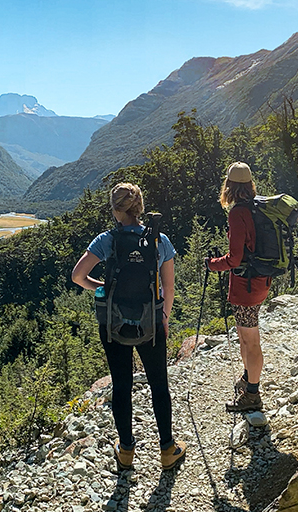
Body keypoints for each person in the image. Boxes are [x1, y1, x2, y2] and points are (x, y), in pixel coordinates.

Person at [71, 182, 186, 471]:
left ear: (115, 210)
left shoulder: (106, 240)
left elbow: (78, 276)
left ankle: (125, 452)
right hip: (151, 321)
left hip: (113, 323)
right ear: (140, 207)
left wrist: (105, 288)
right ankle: (168, 450)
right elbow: (168, 288)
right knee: (159, 384)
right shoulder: (161, 241)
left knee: (121, 384)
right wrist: (164, 318)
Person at [207, 162, 269, 413]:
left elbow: (234, 258)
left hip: (246, 287)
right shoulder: (258, 208)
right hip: (260, 282)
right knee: (245, 337)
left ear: (229, 186)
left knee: (251, 341)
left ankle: (252, 394)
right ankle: (247, 379)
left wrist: (212, 264)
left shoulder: (237, 213)